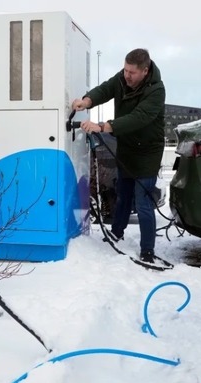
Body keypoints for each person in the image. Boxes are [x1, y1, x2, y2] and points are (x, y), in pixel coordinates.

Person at [71, 48, 166, 263]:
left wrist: (104, 126)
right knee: (123, 193)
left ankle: (147, 250)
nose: (127, 76)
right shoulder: (123, 79)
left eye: (132, 73)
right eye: (125, 70)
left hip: (147, 152)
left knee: (143, 201)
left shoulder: (157, 90)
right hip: (127, 147)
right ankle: (117, 231)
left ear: (145, 70)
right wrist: (87, 101)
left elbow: (139, 117)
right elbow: (105, 89)